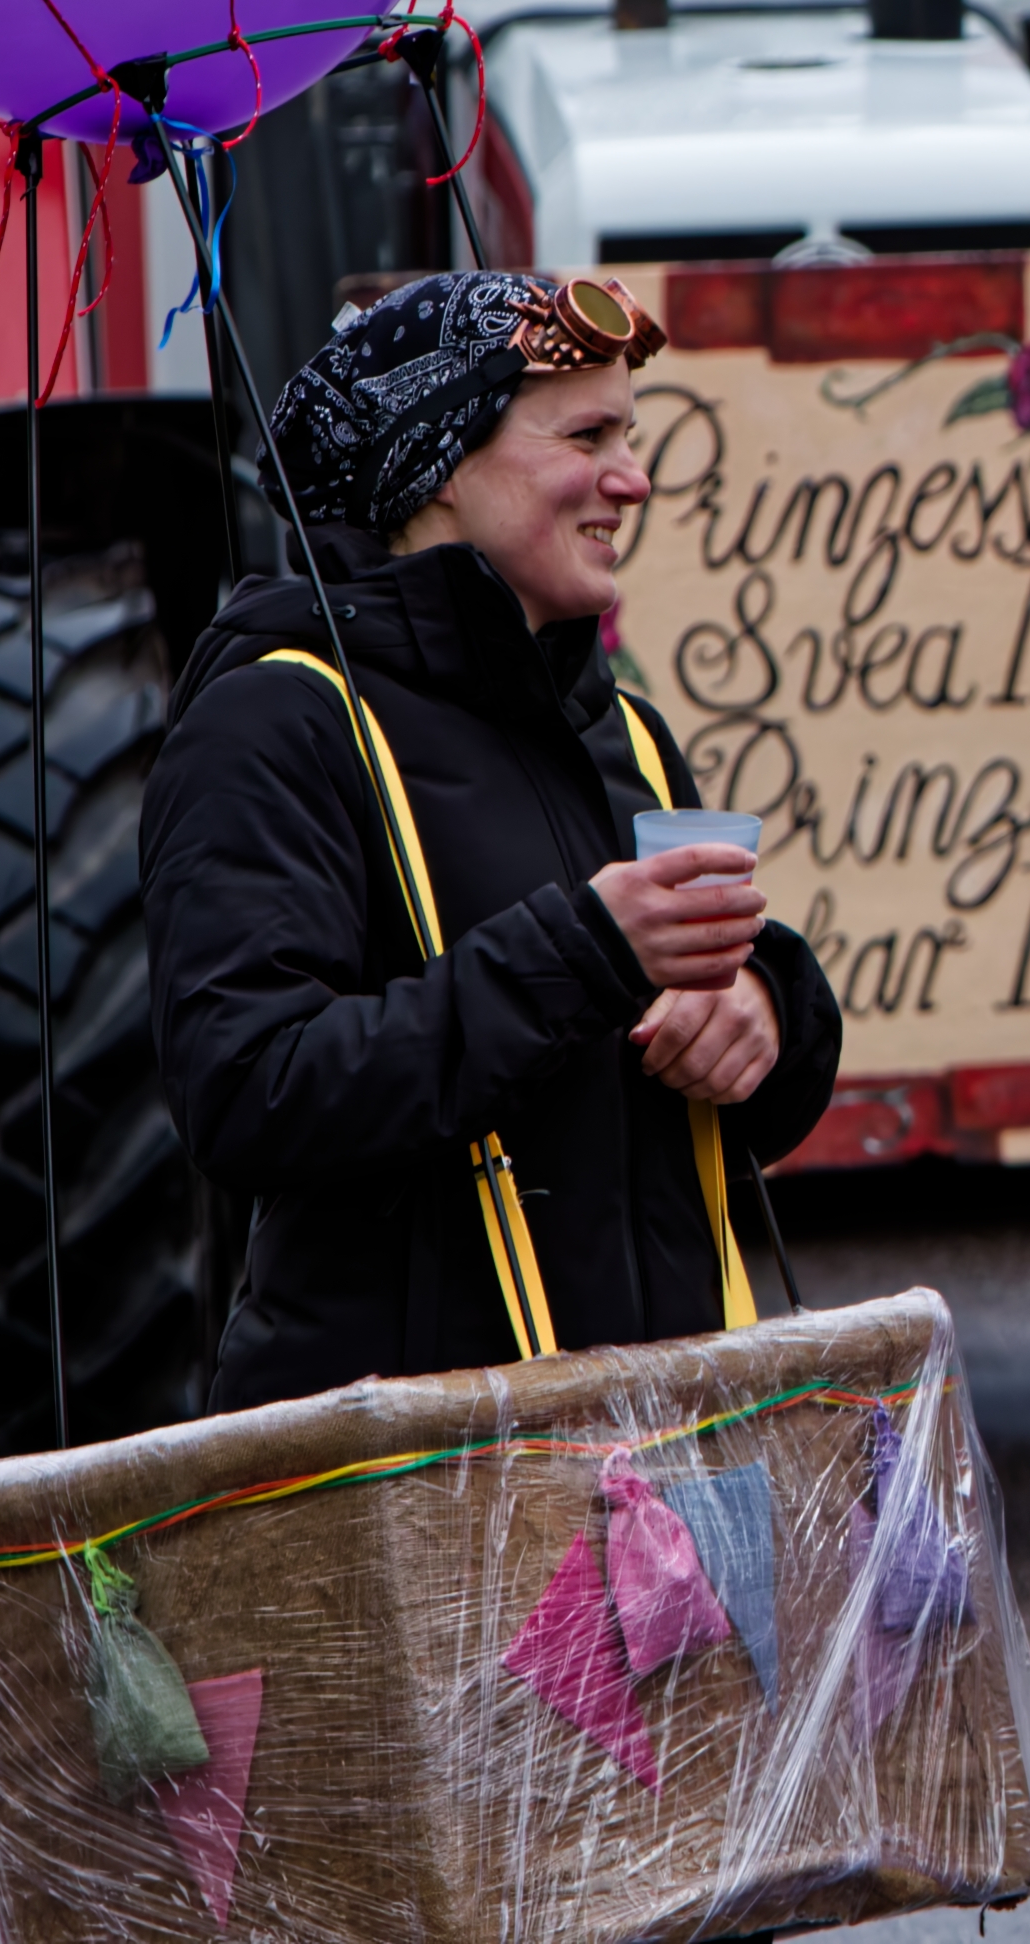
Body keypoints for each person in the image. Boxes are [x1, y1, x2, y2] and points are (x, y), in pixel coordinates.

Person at [141, 272, 840, 1409]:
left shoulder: (624, 730)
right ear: (443, 466)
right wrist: (588, 955)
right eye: (587, 436)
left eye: (633, 433)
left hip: (665, 1465)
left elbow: (675, 1068)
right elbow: (251, 1091)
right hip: (408, 1487)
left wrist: (765, 1009)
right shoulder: (275, 722)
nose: (634, 477)